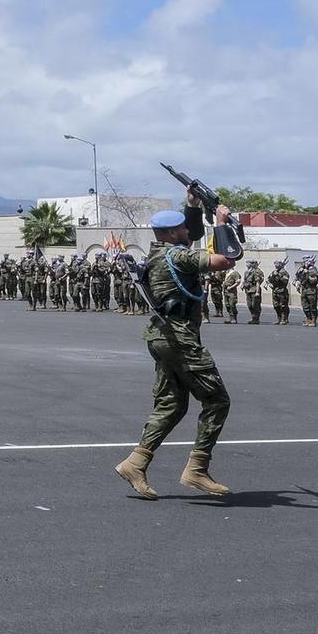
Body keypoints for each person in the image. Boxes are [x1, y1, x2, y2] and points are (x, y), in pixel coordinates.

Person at [115, 199, 238, 500]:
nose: (187, 230)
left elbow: (192, 233)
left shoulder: (158, 254)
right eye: (182, 227)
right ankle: (197, 469)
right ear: (171, 234)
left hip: (161, 336)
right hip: (180, 337)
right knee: (217, 400)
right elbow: (225, 261)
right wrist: (221, 224)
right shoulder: (177, 256)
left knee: (171, 405)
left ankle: (136, 462)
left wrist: (193, 205)